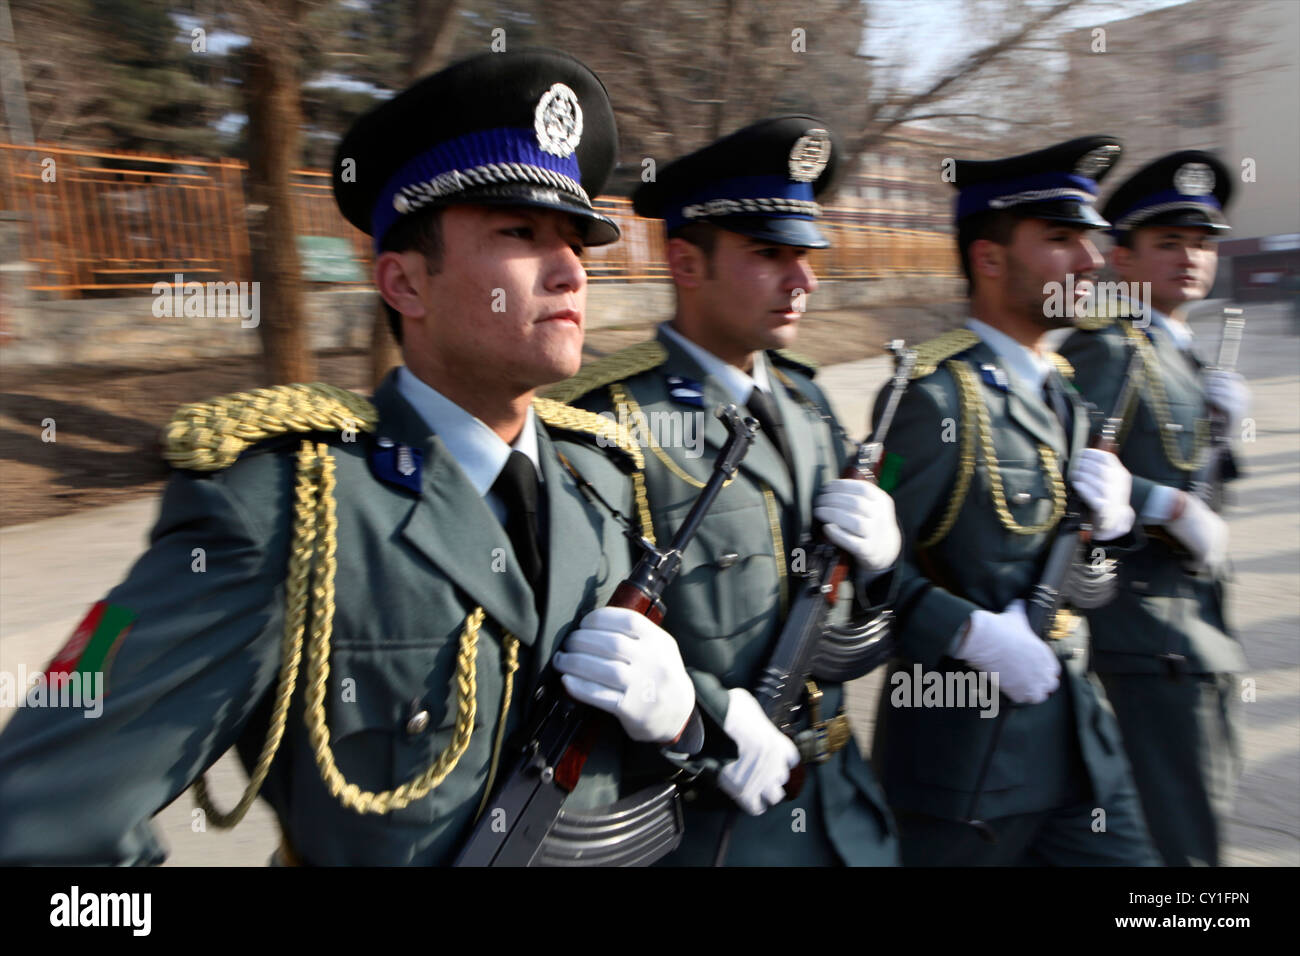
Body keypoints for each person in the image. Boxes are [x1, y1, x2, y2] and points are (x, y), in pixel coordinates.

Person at [0, 49, 704, 866]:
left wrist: (683, 723)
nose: (569, 271)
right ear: (404, 285)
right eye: (520, 232)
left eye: (577, 242)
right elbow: (37, 816)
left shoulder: (603, 476)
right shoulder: (282, 504)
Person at [547, 117, 901, 865]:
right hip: (716, 824)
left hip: (843, 802)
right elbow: (586, 638)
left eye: (804, 255)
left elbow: (848, 596)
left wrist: (878, 567)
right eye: (769, 254)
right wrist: (711, 715)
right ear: (685, 261)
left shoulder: (809, 402)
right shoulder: (610, 420)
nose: (801, 279)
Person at [870, 136, 1158, 865]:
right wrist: (967, 633)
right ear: (989, 259)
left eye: (1088, 239)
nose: (1091, 261)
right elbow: (859, 576)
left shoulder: (1065, 392)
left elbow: (1076, 574)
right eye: (1061, 240)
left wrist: (1116, 528)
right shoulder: (933, 398)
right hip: (965, 774)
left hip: (1078, 745)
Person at [1055, 150, 1246, 866]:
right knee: (1178, 851)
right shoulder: (1111, 347)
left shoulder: (1178, 351)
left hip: (1193, 637)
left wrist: (1222, 434)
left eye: (1201, 243)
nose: (1190, 258)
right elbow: (1064, 468)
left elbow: (1201, 486)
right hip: (1146, 642)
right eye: (1168, 243)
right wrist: (1160, 503)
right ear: (1121, 255)